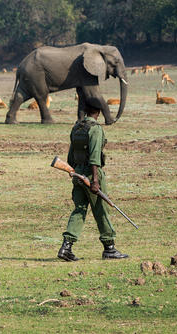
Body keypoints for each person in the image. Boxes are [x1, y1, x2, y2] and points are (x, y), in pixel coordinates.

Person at [58, 98, 128, 261]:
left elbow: (70, 157)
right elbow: (95, 157)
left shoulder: (77, 128)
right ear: (99, 112)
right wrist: (95, 180)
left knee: (80, 209)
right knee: (101, 209)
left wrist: (76, 173)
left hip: (78, 174)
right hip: (91, 174)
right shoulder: (95, 129)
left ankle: (66, 247)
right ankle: (109, 248)